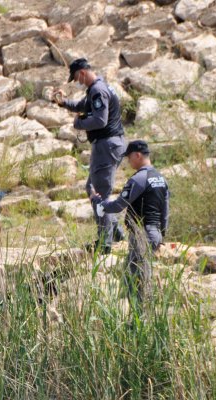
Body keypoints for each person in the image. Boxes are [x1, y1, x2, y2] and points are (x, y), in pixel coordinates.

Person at [53, 57, 126, 254]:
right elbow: (82, 106)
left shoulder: (97, 90)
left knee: (99, 192)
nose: (77, 81)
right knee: (92, 187)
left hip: (107, 144)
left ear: (83, 72)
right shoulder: (98, 88)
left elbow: (100, 121)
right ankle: (116, 233)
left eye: (77, 77)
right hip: (109, 145)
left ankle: (105, 243)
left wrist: (78, 124)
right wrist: (63, 103)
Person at [95, 140, 169, 303]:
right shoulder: (161, 179)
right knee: (141, 276)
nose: (129, 161)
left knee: (135, 279)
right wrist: (161, 236)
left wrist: (102, 205)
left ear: (138, 155)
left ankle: (139, 321)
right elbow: (165, 213)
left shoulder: (139, 179)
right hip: (154, 233)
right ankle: (141, 317)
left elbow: (119, 205)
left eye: (129, 158)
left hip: (141, 233)